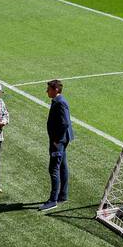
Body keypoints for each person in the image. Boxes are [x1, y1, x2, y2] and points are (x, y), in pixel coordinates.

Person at [40, 79, 74, 211]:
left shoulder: (60, 103)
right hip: (61, 141)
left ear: (55, 90)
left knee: (53, 169)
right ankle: (63, 195)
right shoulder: (59, 101)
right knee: (63, 166)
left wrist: (57, 140)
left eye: (48, 89)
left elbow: (65, 123)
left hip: (58, 142)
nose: (46, 91)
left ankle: (53, 200)